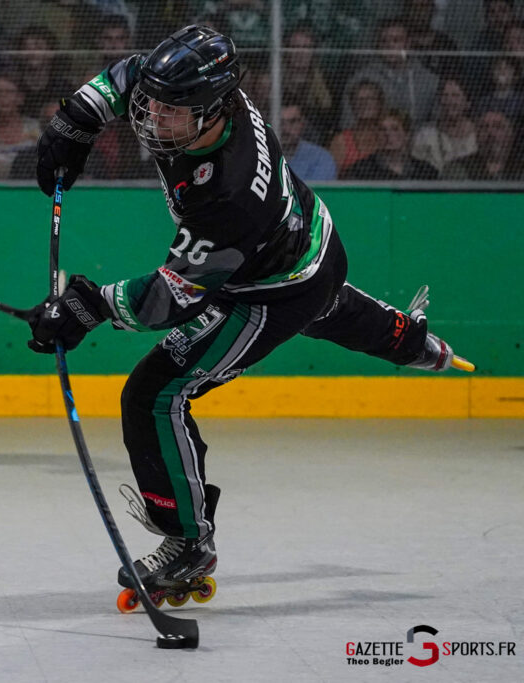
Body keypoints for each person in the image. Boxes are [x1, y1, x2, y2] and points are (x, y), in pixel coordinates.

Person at [29, 25, 464, 604]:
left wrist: (90, 306)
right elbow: (134, 70)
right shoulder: (204, 96)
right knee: (329, 306)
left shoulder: (230, 193)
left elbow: (173, 297)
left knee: (154, 394)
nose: (152, 117)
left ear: (211, 110)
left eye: (171, 110)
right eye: (152, 103)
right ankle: (412, 344)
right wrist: (76, 119)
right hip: (306, 244)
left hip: (267, 288)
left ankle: (188, 542)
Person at [343, 110, 439, 181]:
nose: (388, 134)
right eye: (382, 130)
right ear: (377, 135)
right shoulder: (361, 171)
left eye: (395, 129)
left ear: (407, 135)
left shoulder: (425, 171)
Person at [410, 77, 477, 175]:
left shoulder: (479, 136)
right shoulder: (425, 135)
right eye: (445, 96)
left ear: (467, 103)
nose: (449, 102)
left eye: (455, 96)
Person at [443, 109, 524, 181]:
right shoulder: (457, 168)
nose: (491, 133)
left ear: (511, 135)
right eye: (484, 128)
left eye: (498, 127)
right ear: (477, 136)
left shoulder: (520, 169)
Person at [279, 102, 337, 181]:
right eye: (280, 122)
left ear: (302, 124)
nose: (285, 129)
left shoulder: (321, 158)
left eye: (293, 121)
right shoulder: (260, 154)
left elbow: (315, 192)